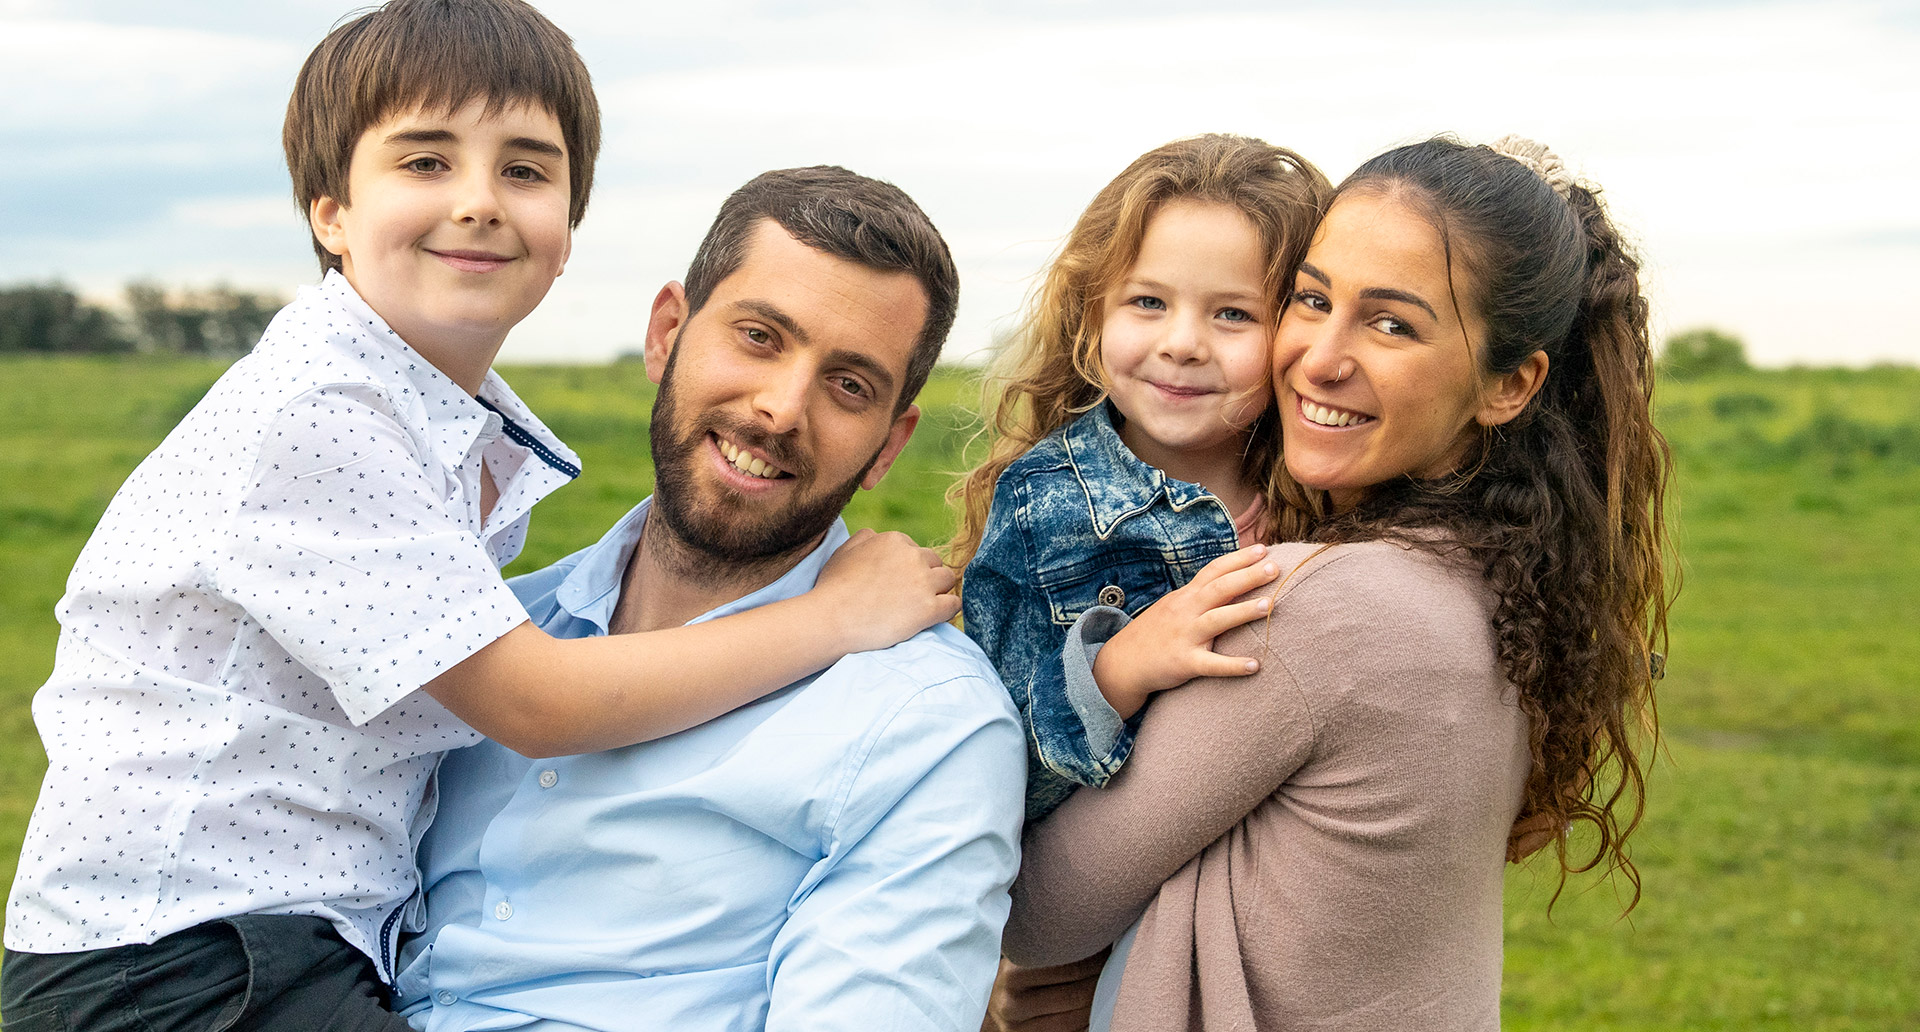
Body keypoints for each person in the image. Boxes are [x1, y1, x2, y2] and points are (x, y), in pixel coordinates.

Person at [0, 4, 955, 1029]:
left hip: (264, 953)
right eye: (424, 162)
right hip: (179, 962)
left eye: (527, 172)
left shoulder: (434, 420)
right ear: (329, 211)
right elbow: (539, 705)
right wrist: (832, 619)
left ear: (568, 233)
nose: (479, 203)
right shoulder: (322, 411)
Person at [990, 135, 1673, 1031]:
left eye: (1392, 323)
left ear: (1510, 385)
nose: (1319, 357)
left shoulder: (1314, 606)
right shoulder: (1498, 576)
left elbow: (1036, 912)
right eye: (1312, 300)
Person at [391, 166, 1025, 1032]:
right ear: (667, 333)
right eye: (760, 337)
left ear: (888, 446)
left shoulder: (924, 724)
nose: (779, 408)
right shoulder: (493, 636)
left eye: (849, 386)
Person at [950, 135, 1330, 820]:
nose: (1182, 343)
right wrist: (1119, 670)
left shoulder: (1332, 497)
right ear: (1092, 314)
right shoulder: (1045, 505)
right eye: (1148, 303)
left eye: (1233, 314)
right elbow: (985, 771)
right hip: (1099, 907)